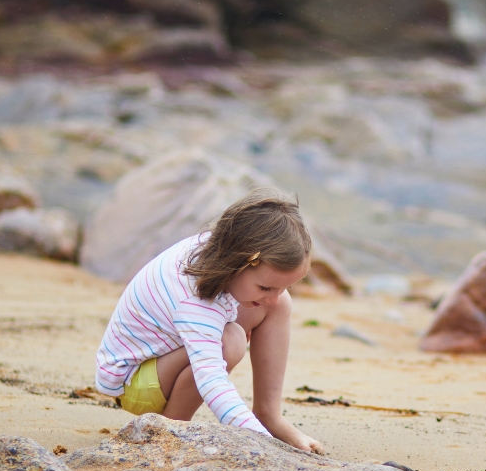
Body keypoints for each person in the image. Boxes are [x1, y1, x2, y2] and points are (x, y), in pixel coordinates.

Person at [94, 187, 322, 454]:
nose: (271, 297)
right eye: (265, 288)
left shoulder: (220, 251)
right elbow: (211, 380)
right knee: (231, 341)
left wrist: (269, 293)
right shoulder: (196, 299)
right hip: (133, 381)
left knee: (279, 306)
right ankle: (170, 428)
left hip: (163, 355)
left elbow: (267, 298)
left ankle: (268, 415)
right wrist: (260, 442)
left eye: (284, 286)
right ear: (240, 262)